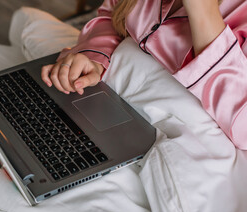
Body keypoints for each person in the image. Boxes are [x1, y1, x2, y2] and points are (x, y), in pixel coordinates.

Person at [41, 0, 247, 150]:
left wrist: (203, 12)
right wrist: (94, 57)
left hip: (167, 149)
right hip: (99, 115)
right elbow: (112, 14)